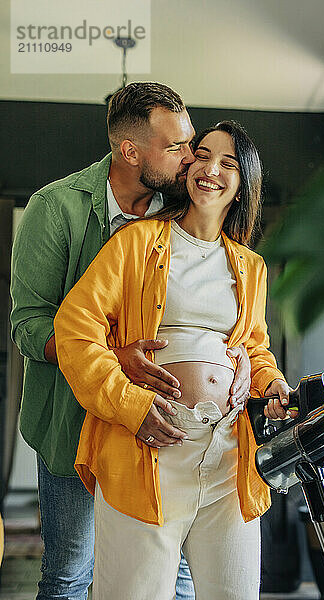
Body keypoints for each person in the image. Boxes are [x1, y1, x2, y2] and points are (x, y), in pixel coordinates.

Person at [10, 82, 251, 600]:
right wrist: (115, 359)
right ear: (129, 151)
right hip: (71, 423)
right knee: (71, 574)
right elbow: (30, 328)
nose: (192, 160)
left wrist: (248, 366)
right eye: (178, 148)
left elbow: (244, 331)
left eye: (193, 144)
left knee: (174, 578)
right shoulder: (55, 210)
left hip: (169, 443)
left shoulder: (181, 215)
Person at [54, 120, 295, 599]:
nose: (210, 169)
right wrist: (132, 406)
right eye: (202, 155)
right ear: (186, 168)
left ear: (243, 182)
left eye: (227, 162)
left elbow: (254, 349)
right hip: (147, 449)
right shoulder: (136, 243)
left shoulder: (251, 266)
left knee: (235, 592)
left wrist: (269, 386)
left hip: (228, 453)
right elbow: (75, 330)